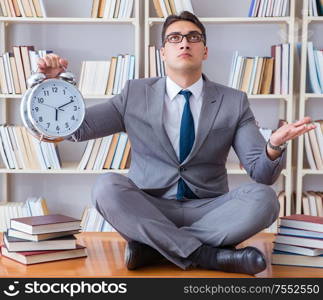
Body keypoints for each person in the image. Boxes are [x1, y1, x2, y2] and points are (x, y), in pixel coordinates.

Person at [37, 11, 316, 275]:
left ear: (205, 51)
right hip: (150, 207)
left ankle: (156, 250)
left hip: (211, 210)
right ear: (163, 52)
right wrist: (53, 90)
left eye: (194, 37)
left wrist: (274, 146)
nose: (184, 42)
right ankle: (207, 255)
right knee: (106, 187)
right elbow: (77, 129)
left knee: (265, 200)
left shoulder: (233, 101)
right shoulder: (134, 94)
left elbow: (262, 174)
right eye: (175, 37)